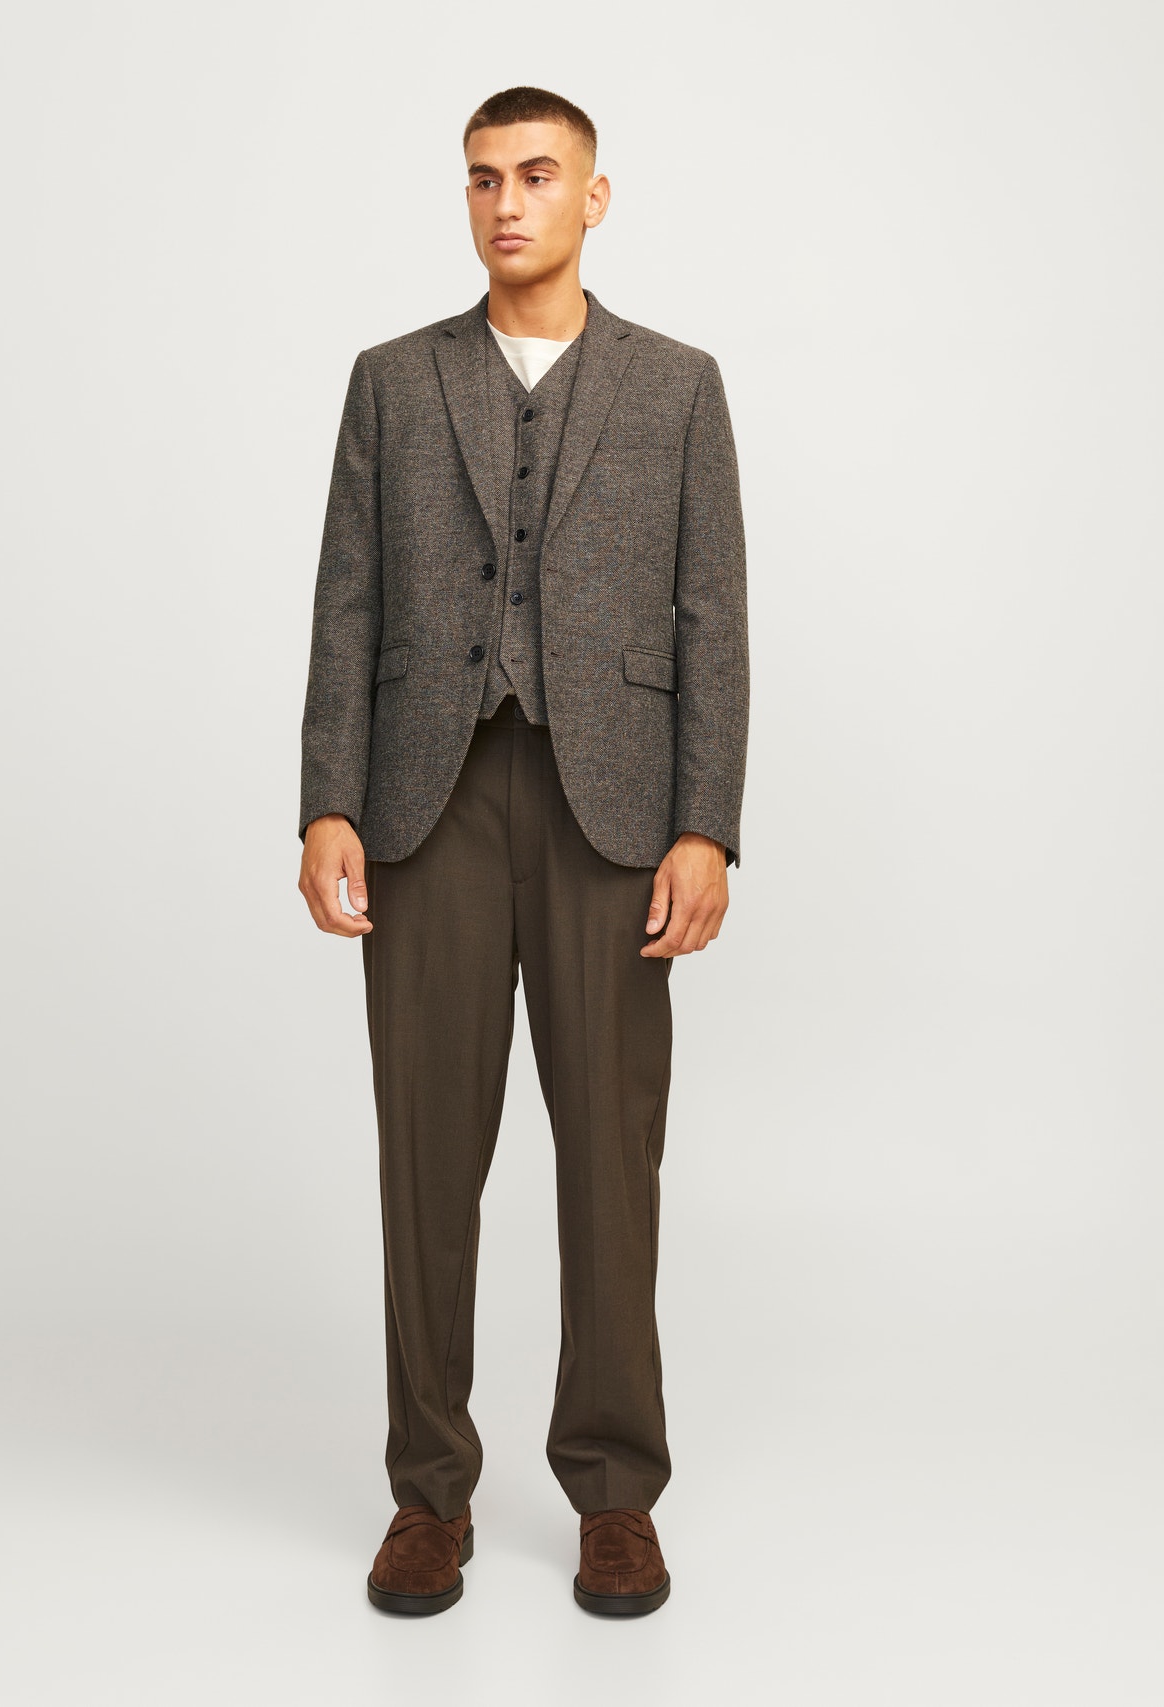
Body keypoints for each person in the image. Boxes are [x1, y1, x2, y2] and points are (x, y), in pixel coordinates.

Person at [297, 84, 749, 1618]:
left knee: (611, 1157)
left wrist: (706, 824)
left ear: (593, 198)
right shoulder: (392, 382)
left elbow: (712, 618)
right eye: (485, 178)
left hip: (609, 806)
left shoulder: (677, 387)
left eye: (538, 175)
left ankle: (616, 1493)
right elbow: (348, 600)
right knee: (427, 1153)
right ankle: (429, 1495)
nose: (508, 202)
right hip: (426, 802)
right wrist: (329, 799)